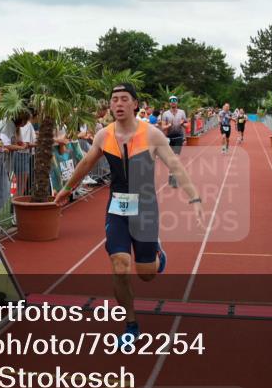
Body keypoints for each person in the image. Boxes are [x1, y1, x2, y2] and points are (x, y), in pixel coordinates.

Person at [54, 83, 204, 348]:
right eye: (114, 100)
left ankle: (156, 252)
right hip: (117, 208)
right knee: (120, 266)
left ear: (135, 104)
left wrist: (194, 197)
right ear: (110, 106)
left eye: (124, 99)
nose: (118, 104)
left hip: (146, 207)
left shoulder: (153, 134)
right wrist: (67, 189)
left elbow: (175, 165)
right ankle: (131, 324)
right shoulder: (103, 135)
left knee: (146, 274)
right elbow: (86, 162)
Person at [159, 95, 188, 188]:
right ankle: (171, 175)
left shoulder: (182, 112)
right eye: (171, 101)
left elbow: (187, 125)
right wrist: (169, 125)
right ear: (169, 103)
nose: (173, 102)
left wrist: (183, 123)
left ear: (177, 102)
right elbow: (163, 127)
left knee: (176, 158)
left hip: (179, 137)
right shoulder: (165, 114)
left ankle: (175, 178)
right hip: (169, 138)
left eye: (175, 100)